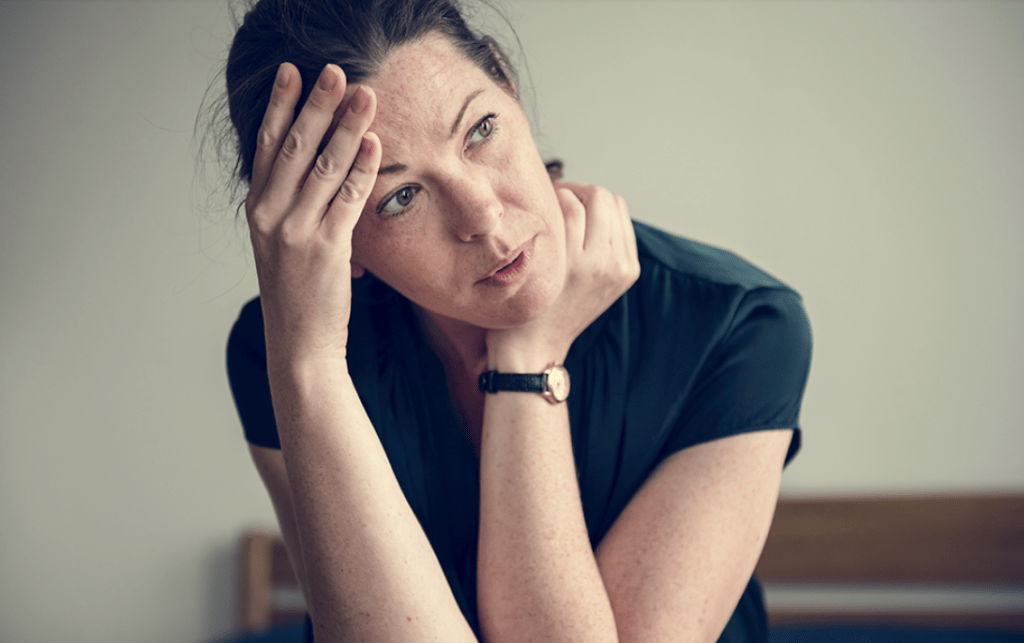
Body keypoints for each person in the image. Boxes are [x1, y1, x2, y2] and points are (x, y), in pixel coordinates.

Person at [221, 0, 813, 641]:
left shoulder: (737, 326)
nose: (481, 215)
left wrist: (528, 360)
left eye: (479, 131)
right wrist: (308, 366)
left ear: (507, 82)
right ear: (332, 236)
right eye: (400, 196)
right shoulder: (281, 355)